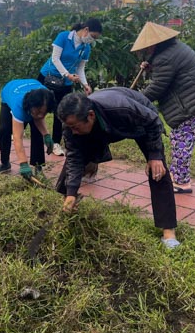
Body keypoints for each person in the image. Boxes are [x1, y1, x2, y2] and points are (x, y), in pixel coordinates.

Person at [56, 89, 180, 249]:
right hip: (102, 127)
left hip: (142, 125)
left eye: (75, 126)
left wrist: (155, 154)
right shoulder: (72, 126)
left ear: (91, 116)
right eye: (69, 126)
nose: (72, 131)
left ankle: (168, 231)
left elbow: (153, 121)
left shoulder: (121, 108)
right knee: (74, 160)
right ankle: (65, 203)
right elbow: (74, 157)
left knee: (157, 169)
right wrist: (71, 192)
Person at [131, 22, 195, 194]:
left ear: (155, 43)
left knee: (181, 140)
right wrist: (150, 67)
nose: (147, 49)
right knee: (180, 138)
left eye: (148, 46)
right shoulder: (174, 48)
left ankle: (181, 182)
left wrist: (134, 100)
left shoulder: (165, 57)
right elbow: (169, 73)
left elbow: (158, 87)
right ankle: (178, 175)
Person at [38, 18, 103, 156]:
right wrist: (67, 74)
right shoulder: (63, 37)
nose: (93, 39)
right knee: (38, 106)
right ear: (86, 30)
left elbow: (80, 69)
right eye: (93, 36)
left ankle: (55, 143)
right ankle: (19, 129)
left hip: (65, 84)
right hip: (47, 77)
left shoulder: (86, 48)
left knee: (60, 113)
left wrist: (85, 84)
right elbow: (55, 58)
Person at [0, 79, 57, 180]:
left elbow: (39, 118)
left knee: (37, 132)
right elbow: (18, 137)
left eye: (44, 113)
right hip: (10, 91)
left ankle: (38, 167)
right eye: (38, 111)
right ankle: (5, 163)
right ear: (30, 106)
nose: (41, 116)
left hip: (31, 85)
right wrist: (23, 163)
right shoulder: (18, 105)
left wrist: (46, 135)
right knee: (4, 130)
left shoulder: (46, 97)